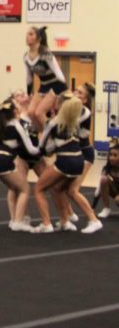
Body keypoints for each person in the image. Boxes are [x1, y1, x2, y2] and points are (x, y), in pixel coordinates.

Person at [33, 96, 103, 234]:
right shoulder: (75, 122)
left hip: (65, 161)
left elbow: (42, 147)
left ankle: (46, 224)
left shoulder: (53, 123)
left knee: (39, 189)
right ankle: (66, 221)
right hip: (78, 160)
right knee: (60, 189)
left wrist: (31, 151)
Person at [0, 98, 40, 231]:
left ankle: (14, 218)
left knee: (14, 188)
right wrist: (44, 147)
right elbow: (31, 148)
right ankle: (18, 222)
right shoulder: (16, 125)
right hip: (5, 160)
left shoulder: (0, 124)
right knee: (25, 189)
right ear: (14, 111)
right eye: (17, 107)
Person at [24, 26, 67, 126]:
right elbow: (29, 78)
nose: (27, 37)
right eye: (27, 34)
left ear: (38, 38)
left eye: (31, 34)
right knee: (30, 112)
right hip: (43, 86)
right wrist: (29, 93)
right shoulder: (26, 57)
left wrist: (64, 89)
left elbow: (58, 72)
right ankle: (41, 135)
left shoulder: (45, 53)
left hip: (56, 85)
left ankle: (51, 134)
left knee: (39, 113)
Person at [97, 140, 119, 219]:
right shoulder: (107, 169)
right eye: (110, 155)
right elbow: (98, 189)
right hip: (116, 191)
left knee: (117, 199)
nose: (111, 157)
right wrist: (92, 207)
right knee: (104, 179)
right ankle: (106, 208)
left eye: (115, 155)